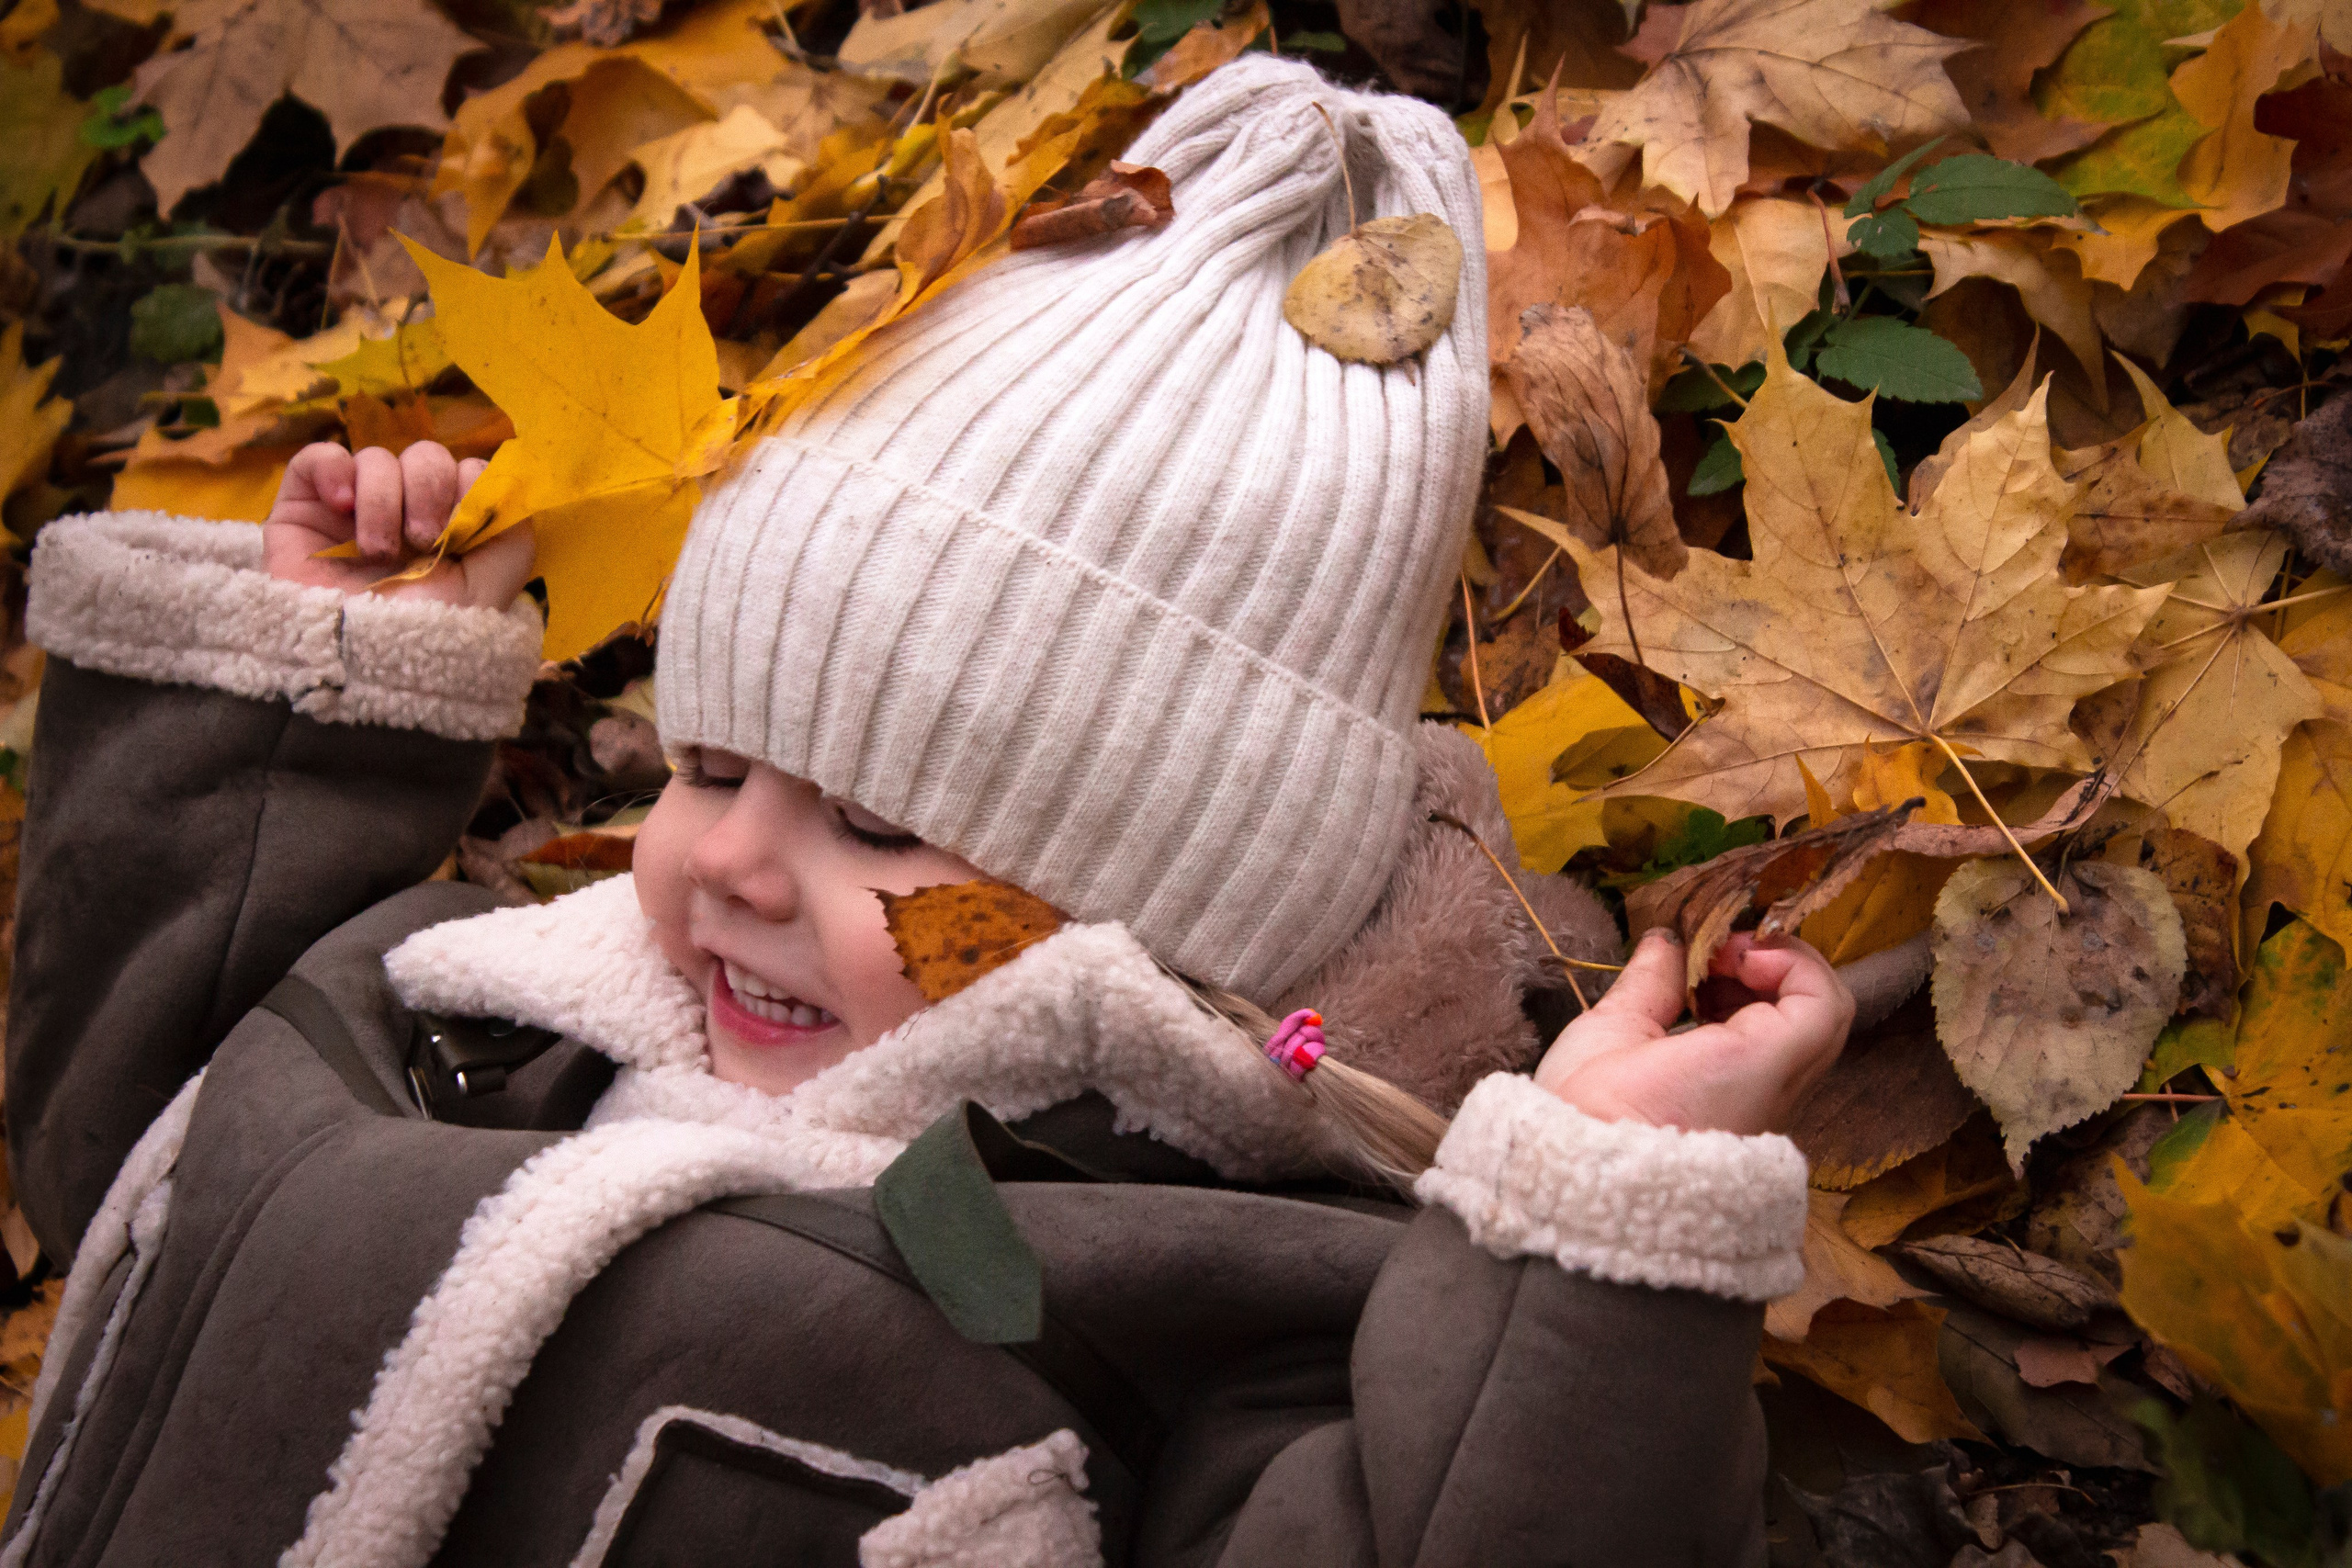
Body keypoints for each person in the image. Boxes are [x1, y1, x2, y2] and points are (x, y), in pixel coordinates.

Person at [2, 55, 1850, 1568]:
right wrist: (309, 721)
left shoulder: (1183, 1287)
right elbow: (129, 1153)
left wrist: (1602, 1230)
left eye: (878, 831)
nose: (729, 858)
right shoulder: (470, 1005)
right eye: (712, 767)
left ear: (1152, 914)